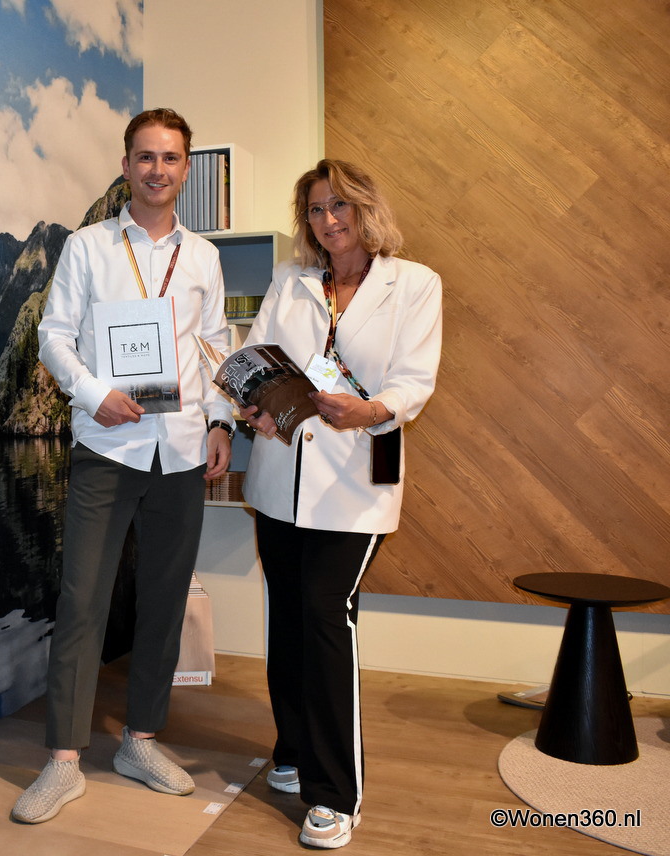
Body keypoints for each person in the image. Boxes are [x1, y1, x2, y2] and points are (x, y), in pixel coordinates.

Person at [13, 108, 235, 824]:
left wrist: (222, 421)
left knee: (164, 601)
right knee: (82, 600)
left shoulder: (203, 257)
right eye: (145, 157)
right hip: (108, 445)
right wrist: (93, 394)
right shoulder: (88, 248)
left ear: (186, 169)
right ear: (126, 165)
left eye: (170, 158)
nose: (156, 170)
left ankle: (140, 741)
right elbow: (54, 337)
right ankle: (63, 761)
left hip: (182, 448)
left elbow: (216, 345)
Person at [241, 159, 442, 849]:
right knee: (289, 616)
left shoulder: (413, 284)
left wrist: (372, 410)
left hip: (358, 479)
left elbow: (415, 380)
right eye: (316, 210)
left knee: (327, 614)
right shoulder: (291, 282)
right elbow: (258, 357)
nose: (328, 220)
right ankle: (294, 750)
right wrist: (253, 406)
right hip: (280, 478)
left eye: (340, 206)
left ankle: (335, 794)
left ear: (365, 209)